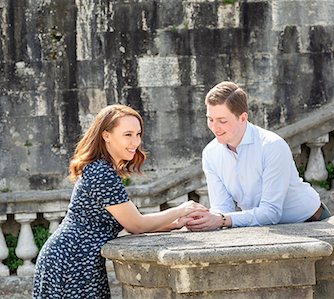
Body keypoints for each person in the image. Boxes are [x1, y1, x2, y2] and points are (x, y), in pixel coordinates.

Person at [33, 104, 207, 298]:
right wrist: (181, 209)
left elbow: (129, 222)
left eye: (138, 134)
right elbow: (136, 225)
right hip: (70, 261)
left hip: (79, 261)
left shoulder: (104, 169)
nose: (136, 142)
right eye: (128, 135)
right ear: (106, 135)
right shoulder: (101, 172)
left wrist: (173, 225)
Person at [186, 81, 330, 231]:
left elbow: (271, 213)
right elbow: (222, 208)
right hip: (264, 229)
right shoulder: (210, 154)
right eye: (210, 119)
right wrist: (205, 219)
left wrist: (221, 219)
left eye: (222, 121)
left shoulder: (272, 146)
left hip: (312, 222)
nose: (215, 128)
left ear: (242, 118)